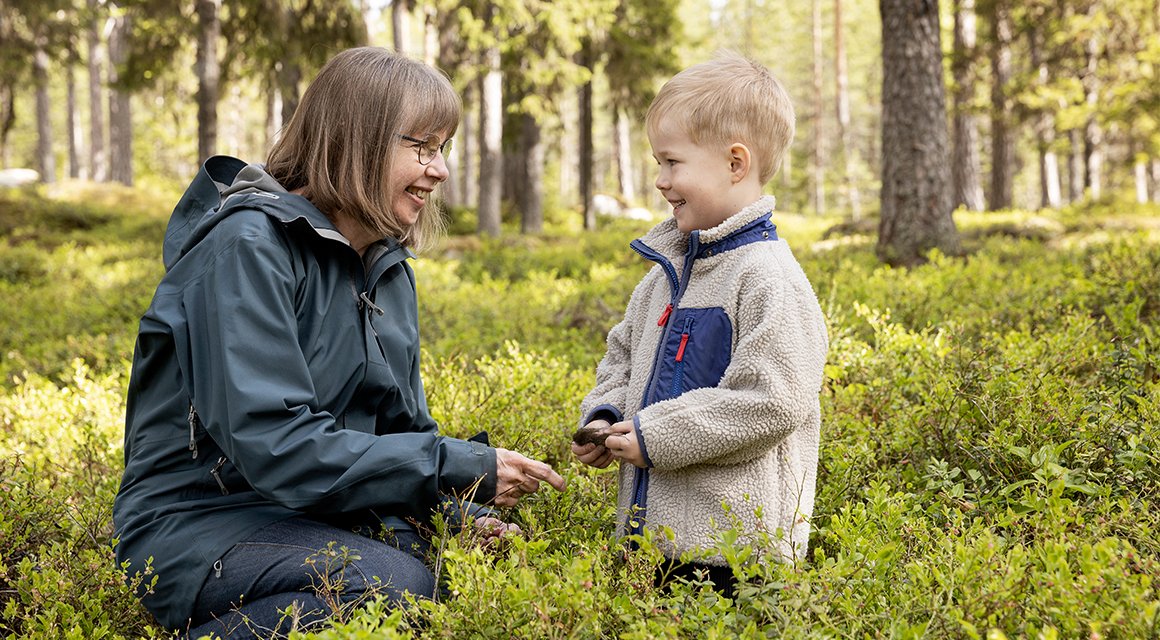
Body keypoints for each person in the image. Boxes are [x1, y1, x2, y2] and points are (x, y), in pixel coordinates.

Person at [113, 47, 565, 639]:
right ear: (358, 140)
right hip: (198, 522)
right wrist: (455, 465)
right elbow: (276, 444)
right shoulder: (247, 249)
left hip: (309, 514)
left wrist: (459, 510)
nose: (440, 170)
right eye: (421, 148)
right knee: (390, 587)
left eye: (443, 149)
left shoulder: (385, 267)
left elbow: (398, 434)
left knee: (462, 570)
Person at [571, 51, 828, 596]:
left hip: (735, 557)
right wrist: (608, 416)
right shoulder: (664, 278)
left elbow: (772, 399)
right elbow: (620, 355)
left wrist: (653, 436)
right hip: (648, 546)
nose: (660, 180)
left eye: (672, 162)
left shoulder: (767, 278)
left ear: (736, 163)